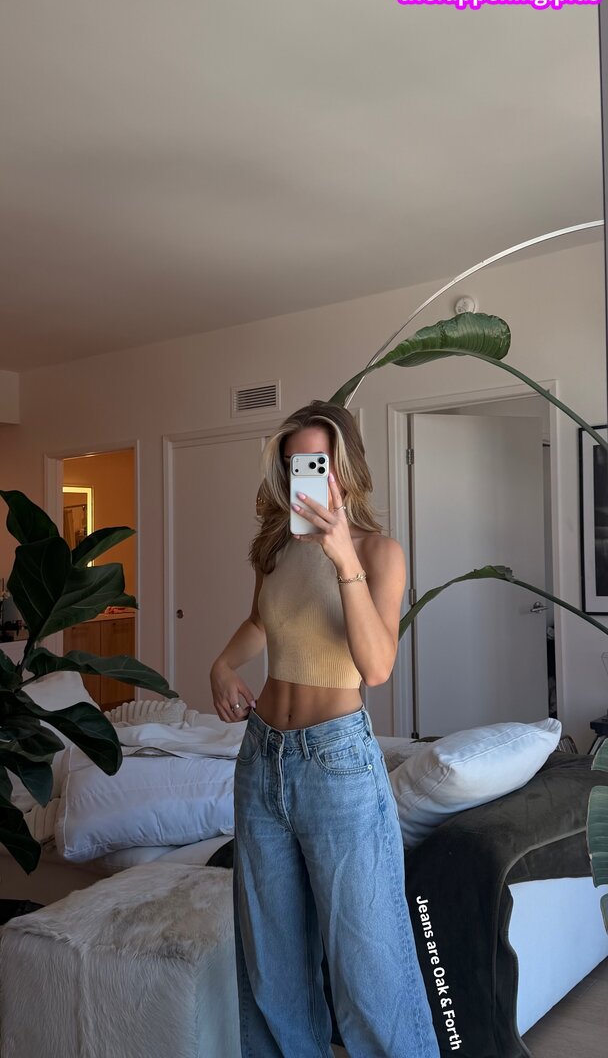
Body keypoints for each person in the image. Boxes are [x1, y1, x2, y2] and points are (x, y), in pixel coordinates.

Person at [210, 400, 440, 1058]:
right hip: (261, 761)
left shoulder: (378, 552)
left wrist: (343, 558)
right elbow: (261, 621)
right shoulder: (274, 549)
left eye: (318, 462)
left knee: (372, 971)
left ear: (346, 466)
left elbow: (377, 667)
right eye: (294, 465)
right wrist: (222, 665)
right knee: (272, 972)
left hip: (336, 766)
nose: (306, 476)